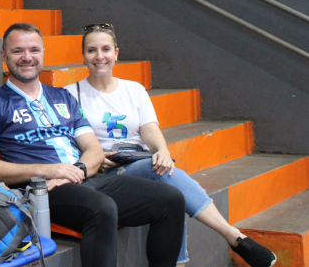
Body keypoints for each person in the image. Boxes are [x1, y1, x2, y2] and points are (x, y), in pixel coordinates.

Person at [0, 23, 186, 267]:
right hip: (43, 189)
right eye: (18, 51)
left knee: (170, 199)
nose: (27, 57)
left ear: (43, 53)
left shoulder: (62, 97)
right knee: (102, 208)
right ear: (4, 56)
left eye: (34, 50)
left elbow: (93, 149)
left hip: (83, 178)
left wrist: (78, 170)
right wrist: (50, 171)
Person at [65, 23, 277, 267]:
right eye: (92, 50)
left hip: (136, 161)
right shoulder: (70, 94)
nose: (99, 56)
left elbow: (150, 130)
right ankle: (232, 236)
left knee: (163, 171)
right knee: (161, 174)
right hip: (105, 172)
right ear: (83, 56)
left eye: (106, 49)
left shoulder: (133, 89)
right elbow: (65, 141)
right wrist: (94, 159)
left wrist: (163, 150)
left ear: (116, 53)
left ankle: (223, 240)